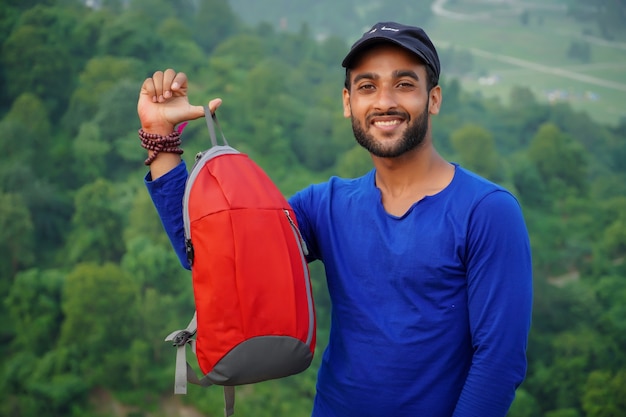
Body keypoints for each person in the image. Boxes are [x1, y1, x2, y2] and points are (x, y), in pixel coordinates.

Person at [139, 21, 533, 417]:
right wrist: (161, 140)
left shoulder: (487, 212)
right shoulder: (325, 207)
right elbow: (212, 255)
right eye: (367, 86)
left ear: (433, 99)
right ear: (348, 102)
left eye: (404, 84)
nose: (384, 102)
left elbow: (499, 362)